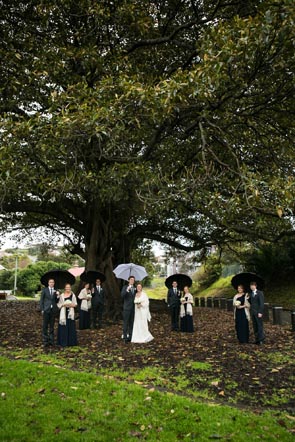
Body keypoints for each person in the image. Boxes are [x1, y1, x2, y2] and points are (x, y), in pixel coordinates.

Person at [40, 278, 59, 347]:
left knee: (52, 325)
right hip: (46, 309)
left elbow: (56, 301)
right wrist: (42, 309)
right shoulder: (45, 290)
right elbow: (41, 300)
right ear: (48, 283)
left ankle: (51, 340)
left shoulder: (56, 290)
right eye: (50, 282)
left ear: (54, 283)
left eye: (53, 282)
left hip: (53, 310)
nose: (51, 283)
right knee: (45, 326)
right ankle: (45, 341)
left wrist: (58, 296)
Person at [121, 275, 136, 342]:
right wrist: (127, 290)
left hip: (133, 309)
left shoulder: (135, 288)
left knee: (131, 323)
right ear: (128, 280)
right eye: (131, 280)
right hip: (126, 308)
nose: (132, 281)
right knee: (125, 322)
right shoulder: (125, 287)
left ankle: (130, 336)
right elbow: (122, 295)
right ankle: (124, 336)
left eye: (133, 280)